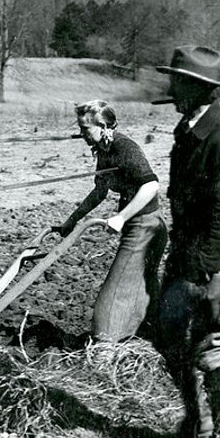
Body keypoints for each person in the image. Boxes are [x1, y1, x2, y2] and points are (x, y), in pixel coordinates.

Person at [153, 45, 220, 438]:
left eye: (178, 81)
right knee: (169, 338)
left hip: (214, 261)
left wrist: (204, 269)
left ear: (197, 88)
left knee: (208, 347)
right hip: (190, 256)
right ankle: (201, 424)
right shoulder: (190, 129)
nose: (171, 88)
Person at [52, 100, 168, 343]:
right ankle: (155, 334)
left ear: (103, 126)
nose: (81, 134)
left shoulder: (124, 147)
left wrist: (120, 217)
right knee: (143, 286)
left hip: (145, 226)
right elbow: (99, 192)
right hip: (141, 225)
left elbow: (151, 184)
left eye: (85, 129)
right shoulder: (105, 150)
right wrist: (71, 221)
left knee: (114, 291)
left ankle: (104, 347)